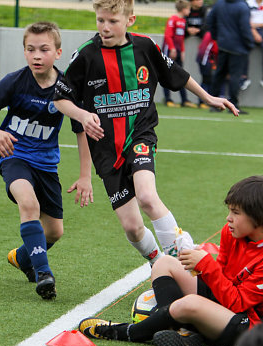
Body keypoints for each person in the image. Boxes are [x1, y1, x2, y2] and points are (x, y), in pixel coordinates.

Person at [53, 0, 238, 265]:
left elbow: (176, 73)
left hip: (140, 135)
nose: (105, 27)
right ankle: (157, 262)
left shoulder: (145, 46)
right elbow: (60, 98)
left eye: (112, 21)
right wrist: (82, 115)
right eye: (100, 20)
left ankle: (186, 260)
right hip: (106, 149)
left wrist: (208, 97)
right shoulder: (85, 56)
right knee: (132, 227)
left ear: (130, 20)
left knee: (148, 197)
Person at [0, 22, 93, 300]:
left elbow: (81, 130)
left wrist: (85, 176)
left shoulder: (66, 88)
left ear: (58, 52)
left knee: (55, 231)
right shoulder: (15, 81)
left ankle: (24, 259)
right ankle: (44, 274)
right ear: (24, 53)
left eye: (44, 49)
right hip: (15, 157)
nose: (37, 56)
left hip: (47, 165)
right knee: (29, 204)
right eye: (30, 49)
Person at [79, 175, 263, 346]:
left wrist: (206, 265)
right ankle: (179, 331)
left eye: (236, 213)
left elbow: (237, 304)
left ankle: (125, 332)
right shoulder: (231, 232)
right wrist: (198, 266)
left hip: (248, 324)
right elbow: (222, 277)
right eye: (229, 210)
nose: (228, 218)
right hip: (225, 303)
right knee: (164, 263)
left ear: (258, 217)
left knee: (190, 303)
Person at [206, 0, 253, 114]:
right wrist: (249, 44)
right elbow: (245, 27)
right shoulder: (242, 7)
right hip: (239, 47)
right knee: (235, 76)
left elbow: (210, 20)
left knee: (219, 74)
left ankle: (214, 103)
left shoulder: (219, 4)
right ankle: (234, 104)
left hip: (223, 45)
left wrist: (216, 36)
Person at [162, 0, 197, 108]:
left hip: (177, 51)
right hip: (170, 51)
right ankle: (168, 99)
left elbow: (181, 39)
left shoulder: (183, 21)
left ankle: (184, 100)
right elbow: (168, 36)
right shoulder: (173, 19)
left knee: (181, 74)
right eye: (189, 9)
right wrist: (172, 49)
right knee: (167, 75)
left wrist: (182, 51)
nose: (190, 11)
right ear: (184, 9)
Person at [247, 0, 263, 88]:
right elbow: (244, 20)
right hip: (249, 30)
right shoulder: (248, 3)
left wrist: (257, 25)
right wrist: (254, 32)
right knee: (242, 51)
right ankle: (244, 78)